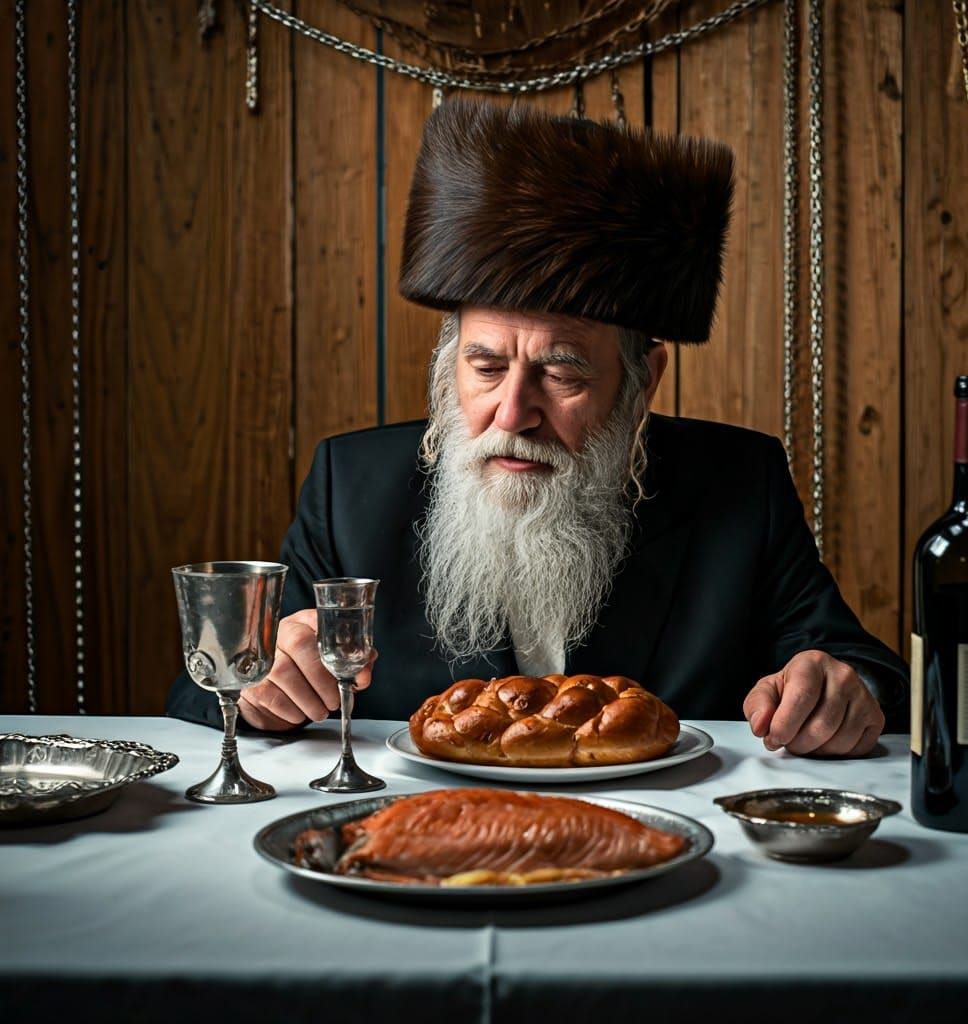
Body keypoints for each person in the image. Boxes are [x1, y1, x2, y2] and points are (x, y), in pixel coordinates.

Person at [167, 99, 908, 756]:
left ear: (644, 381)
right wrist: (265, 687)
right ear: (449, 364)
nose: (513, 414)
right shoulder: (350, 487)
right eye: (486, 367)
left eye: (561, 374)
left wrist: (844, 687)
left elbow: (858, 667)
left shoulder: (739, 483)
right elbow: (203, 692)